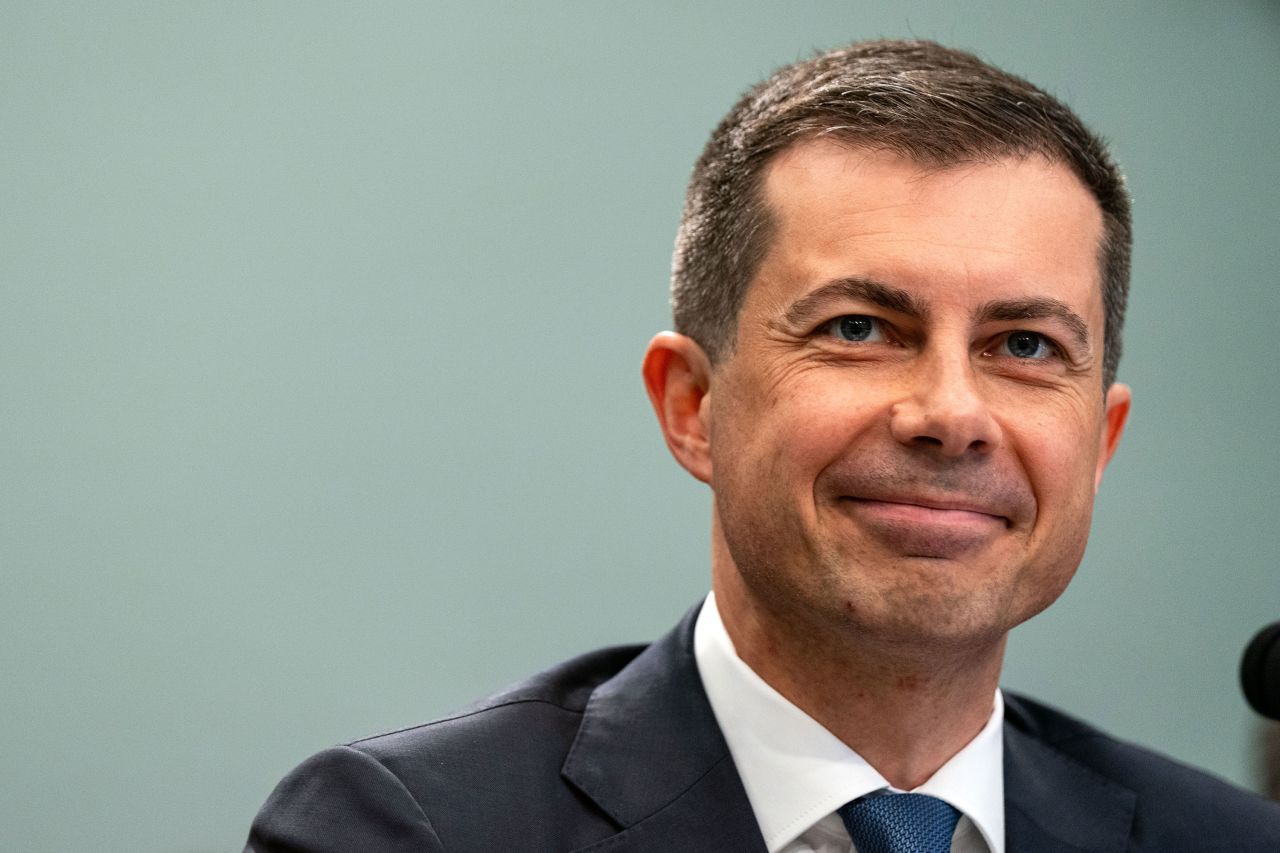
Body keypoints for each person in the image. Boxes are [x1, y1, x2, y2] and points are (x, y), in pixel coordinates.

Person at [245, 40, 1280, 852]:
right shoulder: (411, 832)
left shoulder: (1227, 840)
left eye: (1022, 345)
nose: (949, 412)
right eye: (859, 329)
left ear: (1097, 443)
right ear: (691, 404)